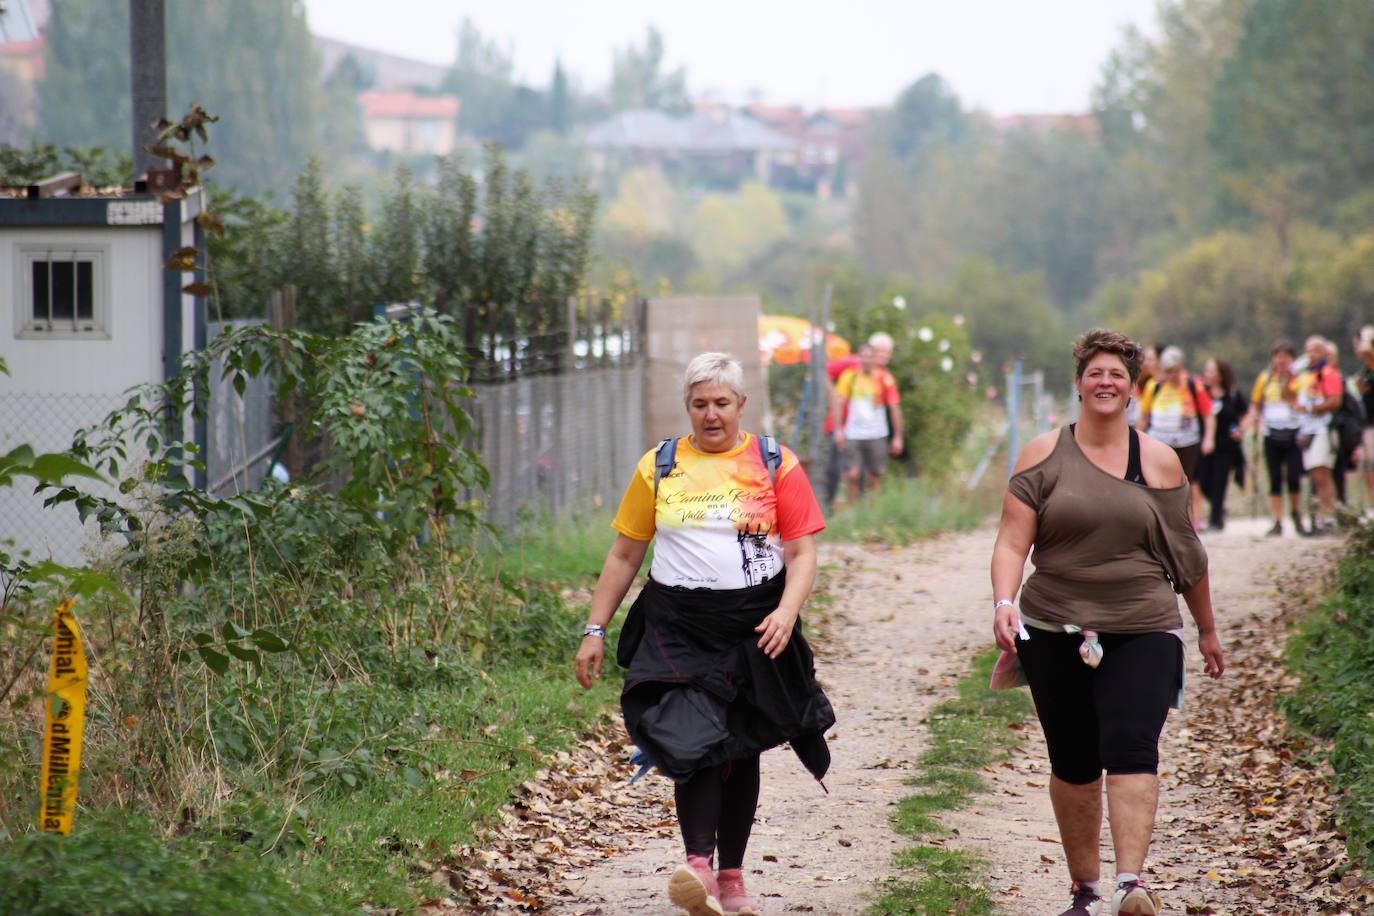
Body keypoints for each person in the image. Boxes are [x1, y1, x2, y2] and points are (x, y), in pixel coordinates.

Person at [575, 352, 833, 916]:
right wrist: (595, 628)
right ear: (687, 407)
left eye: (721, 403)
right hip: (678, 624)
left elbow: (801, 550)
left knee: (739, 746)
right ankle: (698, 870)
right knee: (690, 738)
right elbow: (624, 553)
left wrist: (788, 613)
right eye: (700, 404)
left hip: (755, 624)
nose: (711, 414)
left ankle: (732, 876)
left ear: (741, 404)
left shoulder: (774, 462)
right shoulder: (660, 465)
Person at [991, 329, 1225, 916]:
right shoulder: (1042, 454)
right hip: (1052, 626)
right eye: (1095, 372)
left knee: (1130, 744)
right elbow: (1012, 541)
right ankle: (1084, 891)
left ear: (1131, 388)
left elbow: (1187, 554)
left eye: (1116, 374)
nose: (1105, 382)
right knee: (1072, 759)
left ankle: (1129, 886)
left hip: (1143, 623)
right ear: (1078, 383)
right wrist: (1003, 602)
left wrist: (1206, 628)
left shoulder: (1159, 461)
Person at [1137, 346, 1215, 528]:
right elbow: (1144, 416)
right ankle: (1162, 520)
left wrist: (1209, 438)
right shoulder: (1154, 386)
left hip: (1188, 442)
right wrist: (1136, 439)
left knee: (1186, 482)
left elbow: (1208, 414)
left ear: (1181, 367)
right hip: (1160, 441)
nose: (1171, 375)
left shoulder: (1193, 385)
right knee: (1158, 481)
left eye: (1174, 371)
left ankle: (1187, 520)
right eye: (1167, 371)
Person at [1242, 339, 1305, 536]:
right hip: (1272, 433)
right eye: (1277, 356)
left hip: (1294, 432)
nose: (1281, 360)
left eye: (1286, 356)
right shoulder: (1265, 378)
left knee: (1294, 477)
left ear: (1293, 359)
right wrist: (1252, 418)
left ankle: (1296, 514)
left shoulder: (1300, 379)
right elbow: (1255, 403)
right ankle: (1278, 520)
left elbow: (1300, 401)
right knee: (1275, 478)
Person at [832, 342, 904, 501]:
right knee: (852, 474)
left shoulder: (884, 378)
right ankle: (852, 511)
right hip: (854, 433)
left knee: (875, 476)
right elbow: (839, 402)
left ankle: (873, 512)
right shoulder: (850, 376)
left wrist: (898, 436)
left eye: (869, 357)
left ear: (873, 358)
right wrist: (838, 429)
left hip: (877, 433)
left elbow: (894, 407)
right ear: (858, 357)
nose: (865, 360)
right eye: (862, 356)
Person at [1294, 335, 1343, 535]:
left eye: (1314, 350)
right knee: (1316, 475)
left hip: (1323, 429)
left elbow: (1335, 400)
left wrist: (1311, 408)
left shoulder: (1328, 373)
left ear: (1324, 352)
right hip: (1308, 430)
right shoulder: (1308, 375)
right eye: (1307, 350)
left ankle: (1329, 516)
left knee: (1322, 474)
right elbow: (1291, 397)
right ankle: (1322, 516)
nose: (1310, 354)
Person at [1195, 358, 1247, 531]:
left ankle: (1216, 520)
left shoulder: (1233, 395)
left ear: (1221, 375)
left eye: (1211, 371)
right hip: (1204, 444)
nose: (1207, 374)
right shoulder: (1201, 392)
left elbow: (1247, 414)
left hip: (1226, 447)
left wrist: (1240, 429)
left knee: (1219, 483)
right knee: (1203, 482)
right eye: (1207, 370)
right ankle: (1219, 510)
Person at [1354, 326, 1374, 509]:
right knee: (1368, 467)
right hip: (1367, 423)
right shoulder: (1366, 369)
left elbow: (1367, 351)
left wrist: (1367, 337)